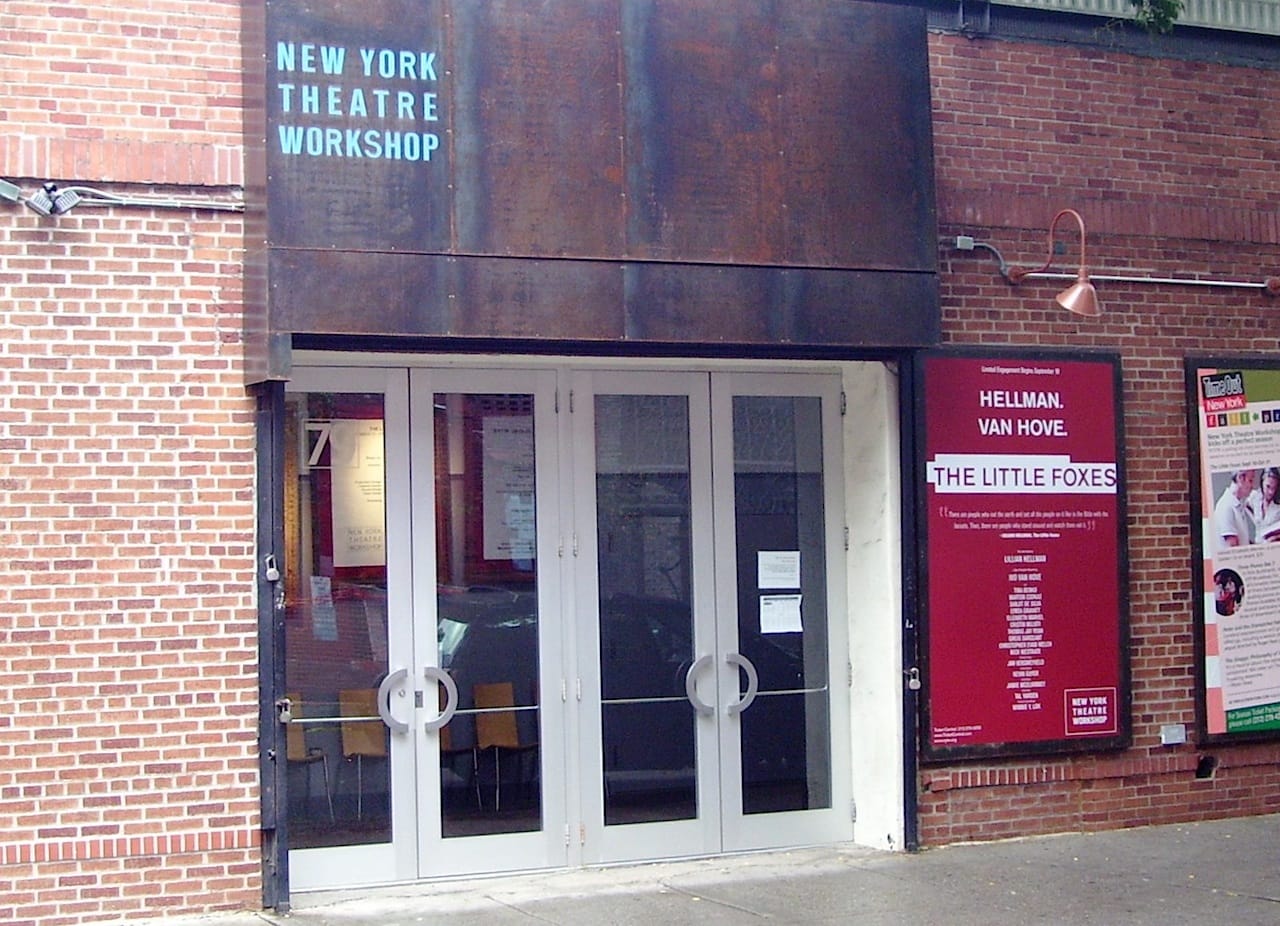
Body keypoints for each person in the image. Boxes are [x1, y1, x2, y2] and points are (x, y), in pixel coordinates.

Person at [1213, 469, 1255, 549]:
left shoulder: (1238, 504)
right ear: (1240, 478)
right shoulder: (1226, 506)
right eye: (1250, 480)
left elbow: (1242, 540)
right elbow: (1232, 547)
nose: (1252, 486)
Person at [1250, 466, 1280, 542]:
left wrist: (1275, 537)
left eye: (1274, 488)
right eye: (1268, 486)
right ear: (1262, 482)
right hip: (1257, 544)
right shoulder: (1254, 497)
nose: (1271, 492)